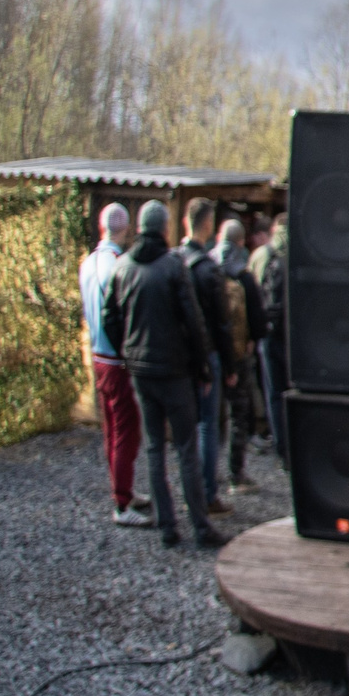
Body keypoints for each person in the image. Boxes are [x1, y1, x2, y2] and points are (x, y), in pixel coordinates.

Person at [100, 200, 222, 549]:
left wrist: (126, 350)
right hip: (173, 371)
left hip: (141, 371)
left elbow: (110, 318)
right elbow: (193, 320)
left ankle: (168, 526)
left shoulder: (122, 267)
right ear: (164, 227)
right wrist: (202, 367)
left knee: (154, 447)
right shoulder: (172, 266)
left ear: (140, 227)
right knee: (186, 447)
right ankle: (200, 526)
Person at [81, 203, 148, 527]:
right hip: (116, 357)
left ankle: (122, 490)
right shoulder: (118, 266)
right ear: (126, 228)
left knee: (112, 426)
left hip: (97, 354)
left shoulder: (88, 263)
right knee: (126, 429)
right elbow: (121, 316)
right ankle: (122, 501)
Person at [176, 199, 235, 516]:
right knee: (208, 427)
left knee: (188, 427)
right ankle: (207, 494)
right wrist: (229, 365)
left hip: (180, 358)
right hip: (207, 356)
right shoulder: (209, 269)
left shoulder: (174, 261)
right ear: (209, 224)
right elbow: (222, 323)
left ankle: (190, 491)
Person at [214, 218, 270, 489]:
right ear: (240, 242)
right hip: (239, 355)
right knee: (239, 415)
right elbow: (259, 322)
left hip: (210, 356)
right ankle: (237, 474)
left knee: (211, 419)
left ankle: (209, 476)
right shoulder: (245, 278)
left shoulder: (206, 270)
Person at [249, 217, 289, 467]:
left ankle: (281, 447)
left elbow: (252, 294)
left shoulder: (261, 254)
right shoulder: (304, 248)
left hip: (269, 333)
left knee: (273, 392)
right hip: (294, 335)